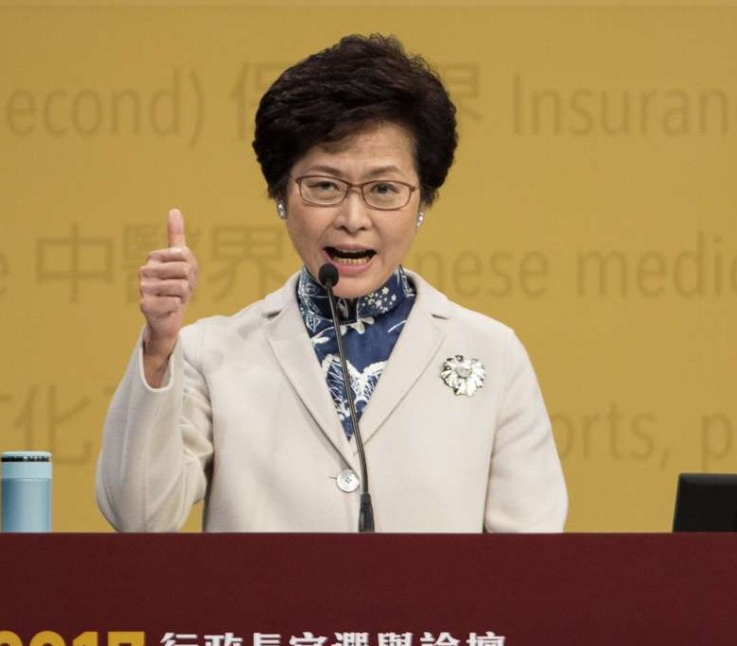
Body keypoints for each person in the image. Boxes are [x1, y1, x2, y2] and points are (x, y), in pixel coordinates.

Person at [96, 34, 567, 532]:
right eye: (324, 186)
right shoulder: (210, 353)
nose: (353, 217)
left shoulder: (493, 353)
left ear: (424, 201)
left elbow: (529, 557)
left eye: (384, 189)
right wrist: (159, 346)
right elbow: (140, 516)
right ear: (281, 195)